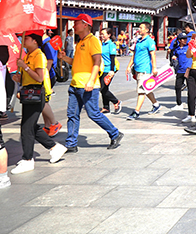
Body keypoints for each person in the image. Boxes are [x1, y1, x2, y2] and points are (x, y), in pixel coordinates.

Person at [58, 14, 123, 152]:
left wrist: (91, 81)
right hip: (75, 84)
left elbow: (97, 61)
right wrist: (64, 58)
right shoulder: (80, 42)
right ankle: (71, 143)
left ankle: (115, 133)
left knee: (93, 113)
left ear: (85, 25)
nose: (74, 26)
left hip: (88, 85)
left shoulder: (92, 40)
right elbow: (76, 62)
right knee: (72, 115)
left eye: (76, 23)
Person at [11, 31, 68, 174]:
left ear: (35, 41)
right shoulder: (28, 55)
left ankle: (28, 159)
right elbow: (28, 76)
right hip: (28, 92)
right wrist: (19, 78)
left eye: (27, 38)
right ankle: (54, 147)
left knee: (27, 128)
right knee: (30, 126)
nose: (23, 40)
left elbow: (39, 78)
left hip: (36, 93)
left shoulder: (39, 55)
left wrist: (24, 66)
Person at [125, 22, 160, 120]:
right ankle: (156, 104)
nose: (139, 30)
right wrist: (129, 66)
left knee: (141, 91)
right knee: (146, 89)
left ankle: (136, 112)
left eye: (141, 28)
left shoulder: (149, 41)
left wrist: (154, 68)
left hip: (145, 69)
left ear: (147, 30)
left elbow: (153, 55)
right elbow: (134, 55)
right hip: (137, 69)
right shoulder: (139, 41)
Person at [40, 30, 62, 136]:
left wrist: (44, 76)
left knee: (43, 101)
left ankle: (54, 123)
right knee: (43, 101)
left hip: (47, 76)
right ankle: (47, 126)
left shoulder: (47, 43)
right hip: (44, 76)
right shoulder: (42, 42)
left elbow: (50, 61)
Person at [99, 28, 122, 114]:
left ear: (109, 35)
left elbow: (112, 58)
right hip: (101, 69)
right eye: (101, 34)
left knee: (102, 88)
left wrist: (112, 70)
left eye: (103, 34)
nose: (102, 35)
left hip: (108, 69)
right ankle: (106, 107)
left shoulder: (111, 44)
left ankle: (116, 101)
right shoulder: (102, 44)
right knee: (104, 89)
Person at [172, 33, 192, 108]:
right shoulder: (176, 48)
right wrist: (174, 57)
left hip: (188, 70)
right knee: (177, 87)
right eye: (183, 39)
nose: (185, 40)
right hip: (180, 70)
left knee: (191, 88)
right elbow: (174, 55)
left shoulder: (189, 47)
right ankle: (179, 104)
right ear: (179, 40)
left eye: (186, 38)